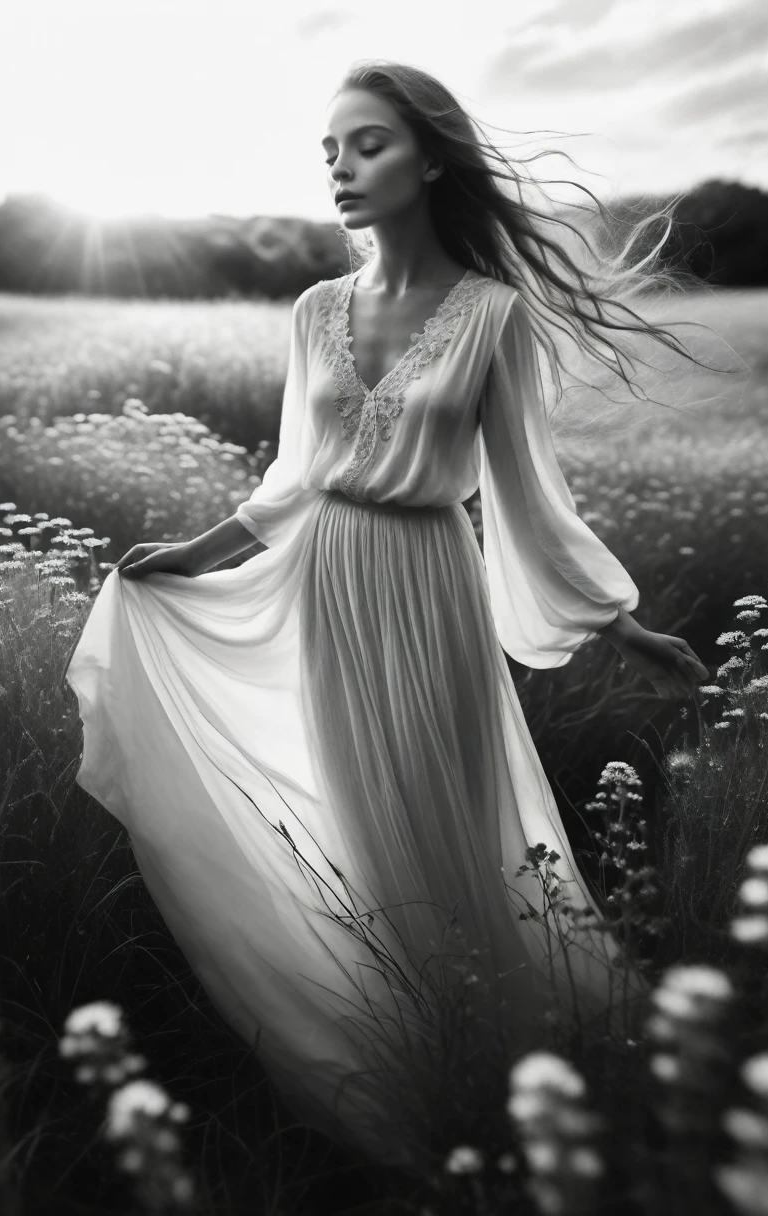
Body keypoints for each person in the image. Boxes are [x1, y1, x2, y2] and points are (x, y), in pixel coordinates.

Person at [64, 61, 711, 1171]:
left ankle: (515, 1074)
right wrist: (192, 552)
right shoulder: (316, 310)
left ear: (429, 155)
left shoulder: (494, 317)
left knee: (448, 824)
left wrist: (620, 623)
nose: (340, 170)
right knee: (364, 829)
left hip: (427, 592)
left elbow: (526, 499)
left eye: (365, 144)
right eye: (327, 152)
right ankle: (420, 1060)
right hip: (325, 588)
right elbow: (290, 481)